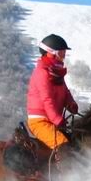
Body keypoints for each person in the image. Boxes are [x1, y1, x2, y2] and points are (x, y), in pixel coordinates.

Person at [26, 34, 79, 166]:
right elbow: (46, 99)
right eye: (62, 52)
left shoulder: (57, 72)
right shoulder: (42, 72)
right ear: (51, 53)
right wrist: (57, 119)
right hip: (40, 122)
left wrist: (71, 103)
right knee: (64, 146)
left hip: (53, 121)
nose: (64, 55)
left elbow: (65, 92)